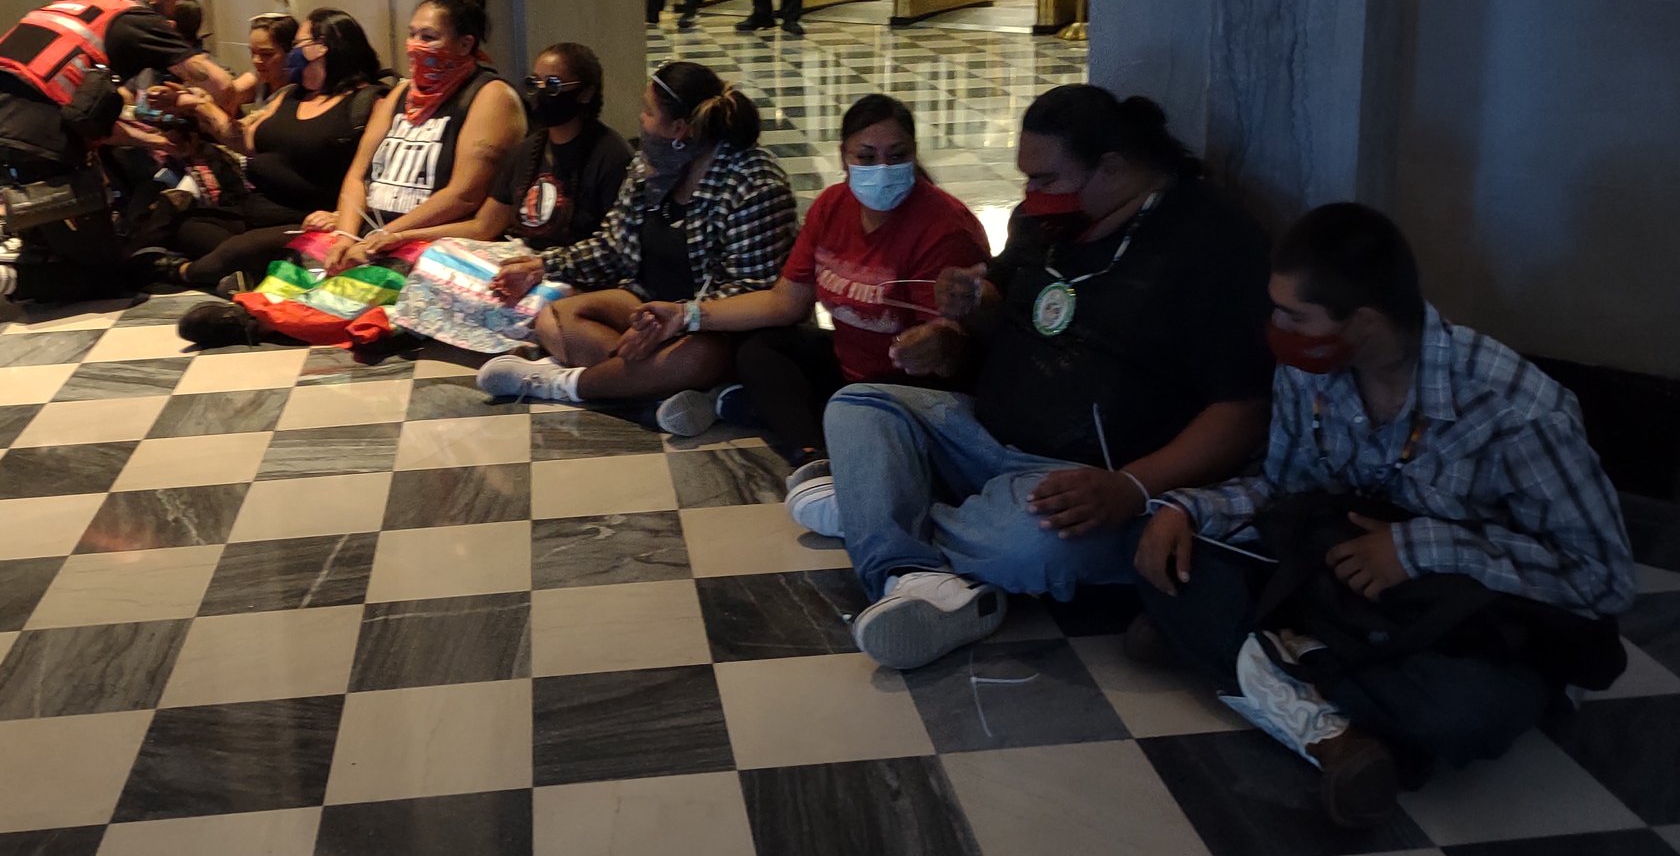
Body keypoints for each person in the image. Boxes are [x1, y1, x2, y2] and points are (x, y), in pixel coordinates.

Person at [1132, 203, 1635, 828]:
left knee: (1467, 714)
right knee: (1164, 557)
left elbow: (1601, 577)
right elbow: (1284, 489)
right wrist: (1186, 508)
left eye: (1294, 315)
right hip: (1339, 587)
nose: (1276, 328)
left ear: (1364, 322)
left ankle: (1272, 679)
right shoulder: (1308, 372)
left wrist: (1419, 549)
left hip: (1457, 618)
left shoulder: (1517, 410)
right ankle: (1328, 718)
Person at [810, 84, 1274, 671]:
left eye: (1047, 180)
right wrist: (961, 318)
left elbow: (1243, 408)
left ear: (1111, 167)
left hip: (1088, 480)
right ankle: (910, 569)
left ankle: (878, 508)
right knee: (860, 405)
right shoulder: (1050, 221)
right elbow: (1003, 303)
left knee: (1022, 547)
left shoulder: (1211, 243)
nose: (1031, 196)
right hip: (988, 434)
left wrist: (1130, 486)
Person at [622, 94, 987, 457]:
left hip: (907, 383)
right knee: (762, 349)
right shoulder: (832, 206)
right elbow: (784, 302)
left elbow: (952, 343)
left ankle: (767, 418)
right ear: (844, 156)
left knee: (859, 409)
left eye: (897, 155)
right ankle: (810, 452)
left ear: (914, 153)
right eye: (866, 156)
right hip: (848, 368)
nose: (882, 168)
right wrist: (688, 314)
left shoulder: (944, 227)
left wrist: (936, 341)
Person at [0, 0, 238, 331]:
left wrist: (161, 143)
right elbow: (223, 85)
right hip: (38, 152)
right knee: (110, 276)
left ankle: (27, 258)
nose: (170, 27)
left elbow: (87, 117)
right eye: (170, 14)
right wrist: (219, 123)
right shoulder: (137, 19)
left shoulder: (64, 11)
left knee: (56, 249)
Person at [474, 62, 797, 426]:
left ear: (679, 129)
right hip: (646, 303)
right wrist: (544, 265)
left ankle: (557, 383)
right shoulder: (648, 167)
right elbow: (613, 247)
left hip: (712, 327)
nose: (639, 120)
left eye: (647, 111)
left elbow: (754, 291)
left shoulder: (754, 184)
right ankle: (664, 390)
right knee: (556, 316)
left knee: (693, 358)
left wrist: (679, 319)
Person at [147, 7, 390, 295]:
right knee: (187, 224)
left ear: (324, 48)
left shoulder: (369, 102)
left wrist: (341, 215)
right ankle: (249, 274)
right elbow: (242, 140)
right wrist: (194, 104)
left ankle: (183, 272)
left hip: (306, 219)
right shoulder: (290, 95)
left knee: (239, 249)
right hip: (255, 213)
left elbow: (379, 172)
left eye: (299, 45)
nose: (293, 54)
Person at [317, 0, 527, 271]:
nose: (414, 45)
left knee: (349, 300)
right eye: (412, 34)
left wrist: (386, 236)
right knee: (296, 271)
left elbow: (463, 195)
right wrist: (345, 235)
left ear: (465, 45)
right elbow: (358, 174)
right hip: (373, 232)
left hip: (431, 239)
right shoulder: (400, 93)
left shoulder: (492, 96)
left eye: (428, 37)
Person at [400, 41, 632, 253]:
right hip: (521, 260)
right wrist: (402, 236)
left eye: (552, 85)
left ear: (585, 93)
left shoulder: (611, 157)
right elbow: (483, 227)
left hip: (571, 273)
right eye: (533, 83)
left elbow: (612, 247)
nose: (540, 93)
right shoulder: (527, 150)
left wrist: (543, 267)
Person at [234, 12, 298, 111]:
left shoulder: (297, 94)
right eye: (253, 52)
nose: (256, 61)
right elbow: (227, 94)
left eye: (267, 54)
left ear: (291, 53)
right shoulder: (261, 81)